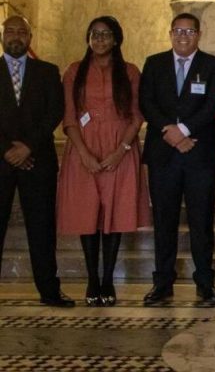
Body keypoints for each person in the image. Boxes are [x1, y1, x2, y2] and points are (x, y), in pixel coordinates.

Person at [57, 16, 150, 306]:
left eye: (105, 34)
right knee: (88, 214)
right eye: (94, 34)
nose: (99, 39)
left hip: (118, 148)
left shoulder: (130, 71)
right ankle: (92, 279)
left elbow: (137, 115)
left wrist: (120, 150)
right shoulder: (74, 71)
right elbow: (70, 116)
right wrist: (83, 152)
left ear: (116, 39)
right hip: (83, 149)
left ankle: (108, 277)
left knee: (113, 214)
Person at [139, 13, 215, 306]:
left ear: (199, 34)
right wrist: (171, 131)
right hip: (163, 154)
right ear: (170, 32)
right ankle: (162, 283)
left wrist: (185, 130)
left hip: (199, 154)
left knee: (202, 222)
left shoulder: (213, 65)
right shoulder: (153, 63)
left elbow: (212, 103)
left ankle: (205, 283)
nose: (183, 36)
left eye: (189, 31)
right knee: (164, 222)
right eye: (178, 30)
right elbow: (146, 102)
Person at [0, 15, 73, 306]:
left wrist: (27, 147)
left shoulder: (47, 71)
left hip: (37, 160)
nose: (16, 36)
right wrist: (8, 150)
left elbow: (55, 111)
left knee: (42, 229)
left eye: (22, 32)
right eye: (10, 31)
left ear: (30, 38)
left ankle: (49, 290)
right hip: (0, 160)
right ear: (3, 36)